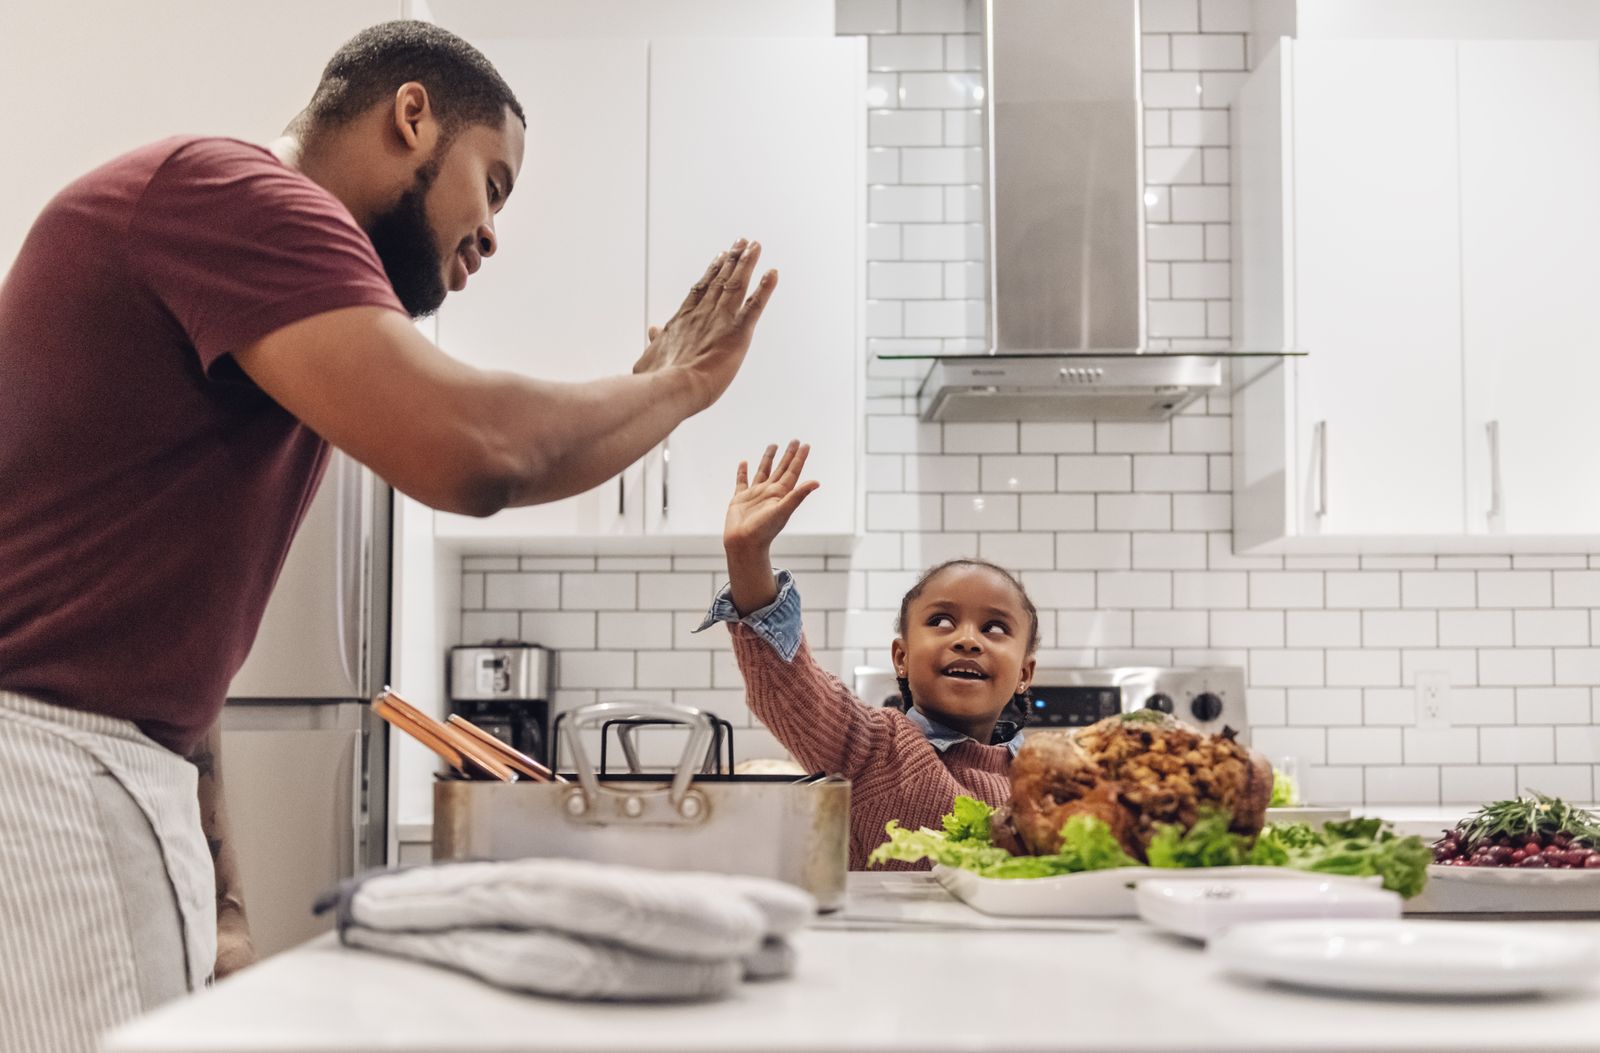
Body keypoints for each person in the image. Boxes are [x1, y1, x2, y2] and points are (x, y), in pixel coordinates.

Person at [0, 20, 776, 1052]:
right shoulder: (243, 196)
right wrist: (676, 389)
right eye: (491, 184)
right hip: (52, 777)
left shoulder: (247, 265)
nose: (492, 234)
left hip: (107, 772)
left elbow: (169, 655)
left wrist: (225, 897)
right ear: (413, 117)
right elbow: (479, 453)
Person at [697, 441, 1039, 870]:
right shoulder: (873, 747)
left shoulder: (1044, 781)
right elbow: (790, 686)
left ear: (1025, 673)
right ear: (901, 657)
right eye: (942, 622)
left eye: (994, 628)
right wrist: (748, 556)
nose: (968, 639)